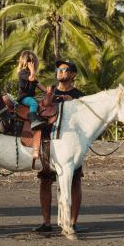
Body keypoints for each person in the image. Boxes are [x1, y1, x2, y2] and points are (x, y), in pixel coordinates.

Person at [34, 59, 86, 233]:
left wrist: (71, 102)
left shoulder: (79, 96)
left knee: (75, 181)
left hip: (71, 148)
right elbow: (42, 113)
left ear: (72, 74)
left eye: (65, 69)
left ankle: (72, 221)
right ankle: (46, 222)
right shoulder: (50, 91)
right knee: (45, 180)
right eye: (58, 69)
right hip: (49, 144)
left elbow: (85, 123)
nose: (60, 72)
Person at [17, 50, 48, 159]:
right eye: (30, 62)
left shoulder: (31, 74)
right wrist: (32, 70)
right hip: (24, 98)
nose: (32, 64)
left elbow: (38, 85)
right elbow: (32, 79)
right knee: (34, 104)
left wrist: (48, 91)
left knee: (40, 104)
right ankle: (34, 121)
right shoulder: (23, 73)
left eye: (33, 62)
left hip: (30, 96)